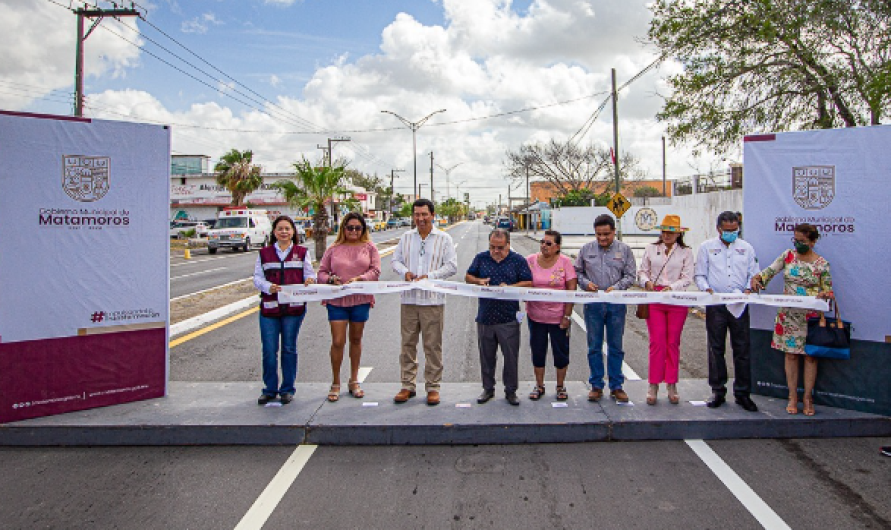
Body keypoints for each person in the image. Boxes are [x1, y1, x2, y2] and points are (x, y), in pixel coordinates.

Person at [752, 223, 834, 416]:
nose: (798, 244)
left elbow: (829, 290)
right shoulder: (788, 255)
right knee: (790, 355)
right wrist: (758, 279)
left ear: (813, 242)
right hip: (788, 316)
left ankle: (807, 398)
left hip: (811, 317)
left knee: (810, 357)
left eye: (803, 241)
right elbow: (769, 271)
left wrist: (824, 295)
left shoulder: (822, 264)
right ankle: (792, 396)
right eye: (795, 240)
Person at [391, 199, 458, 406]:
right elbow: (395, 261)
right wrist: (406, 273)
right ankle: (407, 385)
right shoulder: (406, 237)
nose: (420, 218)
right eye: (417, 215)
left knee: (432, 346)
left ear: (432, 215)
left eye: (424, 214)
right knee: (408, 344)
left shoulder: (444, 238)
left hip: (433, 301)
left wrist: (430, 276)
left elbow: (452, 266)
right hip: (409, 299)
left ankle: (433, 387)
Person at [694, 211, 760, 412]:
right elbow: (700, 275)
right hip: (716, 304)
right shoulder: (707, 247)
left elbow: (754, 273)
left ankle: (743, 393)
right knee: (716, 349)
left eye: (735, 229)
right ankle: (718, 390)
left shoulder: (746, 248)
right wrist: (707, 289)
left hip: (739, 304)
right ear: (719, 229)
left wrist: (749, 287)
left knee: (742, 349)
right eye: (727, 230)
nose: (731, 233)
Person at [252, 215, 317, 405]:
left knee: (289, 348)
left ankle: (287, 389)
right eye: (280, 229)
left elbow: (309, 274)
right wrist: (267, 287)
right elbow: (257, 278)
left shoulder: (302, 252)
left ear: (293, 232)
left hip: (293, 309)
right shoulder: (264, 253)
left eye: (287, 229)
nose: (284, 232)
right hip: (269, 309)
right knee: (269, 350)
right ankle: (269, 389)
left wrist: (310, 281)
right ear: (274, 232)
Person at [317, 212, 381, 402]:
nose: (353, 231)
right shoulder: (333, 249)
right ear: (343, 229)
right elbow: (321, 272)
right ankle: (335, 382)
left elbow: (375, 271)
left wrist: (360, 279)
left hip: (360, 299)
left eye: (358, 228)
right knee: (337, 341)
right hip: (337, 301)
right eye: (350, 227)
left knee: (356, 339)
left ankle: (354, 380)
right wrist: (330, 279)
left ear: (363, 229)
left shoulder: (369, 248)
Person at [466, 228, 533, 405]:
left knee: (510, 357)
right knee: (486, 357)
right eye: (492, 247)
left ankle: (511, 391)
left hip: (508, 317)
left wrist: (510, 286)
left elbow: (529, 282)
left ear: (508, 245)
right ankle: (488, 389)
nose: (496, 251)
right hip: (485, 317)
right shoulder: (481, 258)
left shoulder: (517, 260)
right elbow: (468, 276)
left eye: (500, 248)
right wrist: (478, 281)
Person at [574, 214, 636, 403]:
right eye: (599, 234)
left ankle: (616, 385)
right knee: (594, 346)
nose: (602, 238)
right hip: (593, 304)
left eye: (606, 234)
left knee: (615, 346)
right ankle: (596, 385)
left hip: (616, 304)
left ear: (613, 232)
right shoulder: (586, 250)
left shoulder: (624, 250)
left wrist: (617, 287)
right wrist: (586, 284)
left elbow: (630, 275)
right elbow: (577, 271)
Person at [637, 215, 694, 405]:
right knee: (657, 342)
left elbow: (687, 277)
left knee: (673, 342)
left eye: (671, 232)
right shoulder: (651, 249)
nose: (667, 235)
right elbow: (642, 271)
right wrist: (647, 282)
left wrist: (674, 287)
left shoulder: (686, 252)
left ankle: (671, 383)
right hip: (655, 297)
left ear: (679, 233)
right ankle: (653, 383)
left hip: (677, 298)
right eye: (664, 231)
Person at [525, 230, 577, 401]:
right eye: (542, 242)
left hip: (558, 318)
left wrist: (567, 316)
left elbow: (571, 290)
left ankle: (560, 386)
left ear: (557, 247)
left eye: (548, 243)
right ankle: (539, 385)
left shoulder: (565, 263)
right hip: (535, 316)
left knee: (560, 353)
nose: (544, 246)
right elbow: (522, 282)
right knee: (538, 351)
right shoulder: (530, 260)